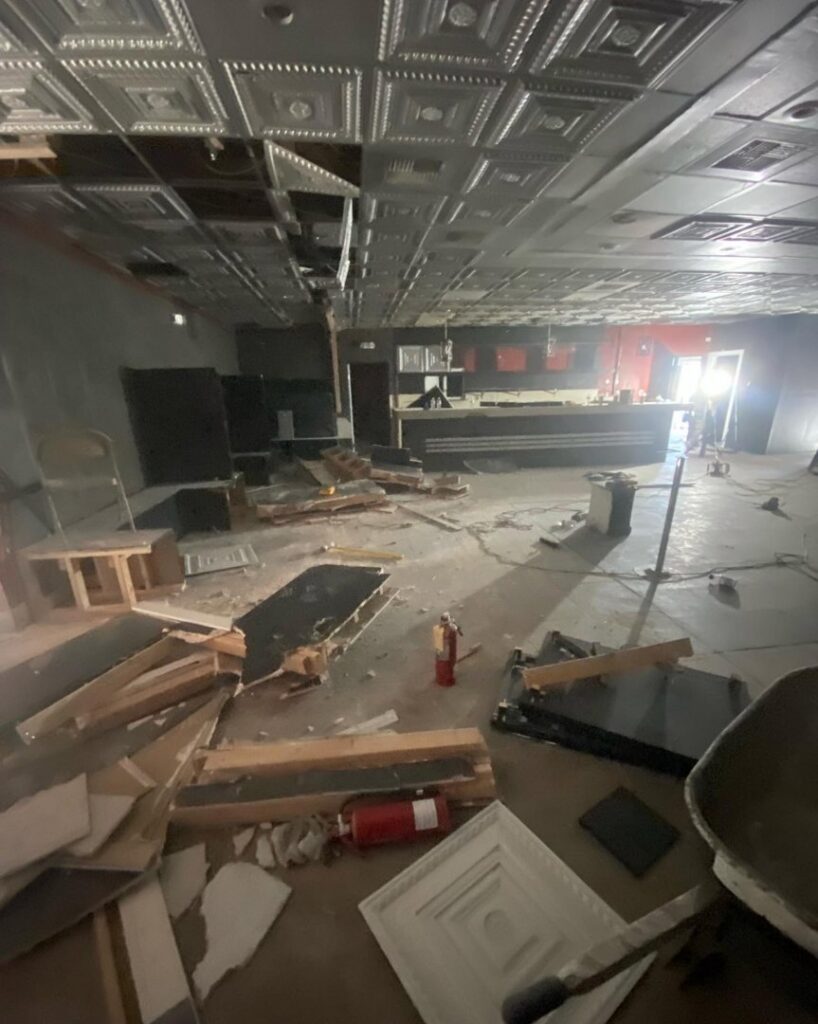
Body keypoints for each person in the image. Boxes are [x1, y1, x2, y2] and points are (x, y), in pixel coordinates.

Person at [433, 611, 462, 687]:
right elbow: (456, 633)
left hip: (439, 651)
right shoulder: (451, 629)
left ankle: (440, 679)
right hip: (447, 651)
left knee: (440, 664)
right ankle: (447, 681)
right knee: (447, 665)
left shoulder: (436, 628)